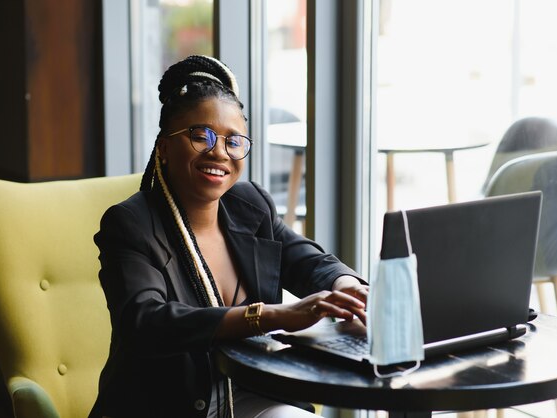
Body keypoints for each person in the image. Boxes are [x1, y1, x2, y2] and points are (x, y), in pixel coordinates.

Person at [89, 55, 368, 418]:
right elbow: (146, 323)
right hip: (168, 405)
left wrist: (347, 287)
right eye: (200, 135)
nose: (219, 151)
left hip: (252, 394)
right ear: (163, 147)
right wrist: (269, 316)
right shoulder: (131, 224)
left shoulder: (249, 204)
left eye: (234, 141)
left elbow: (309, 261)